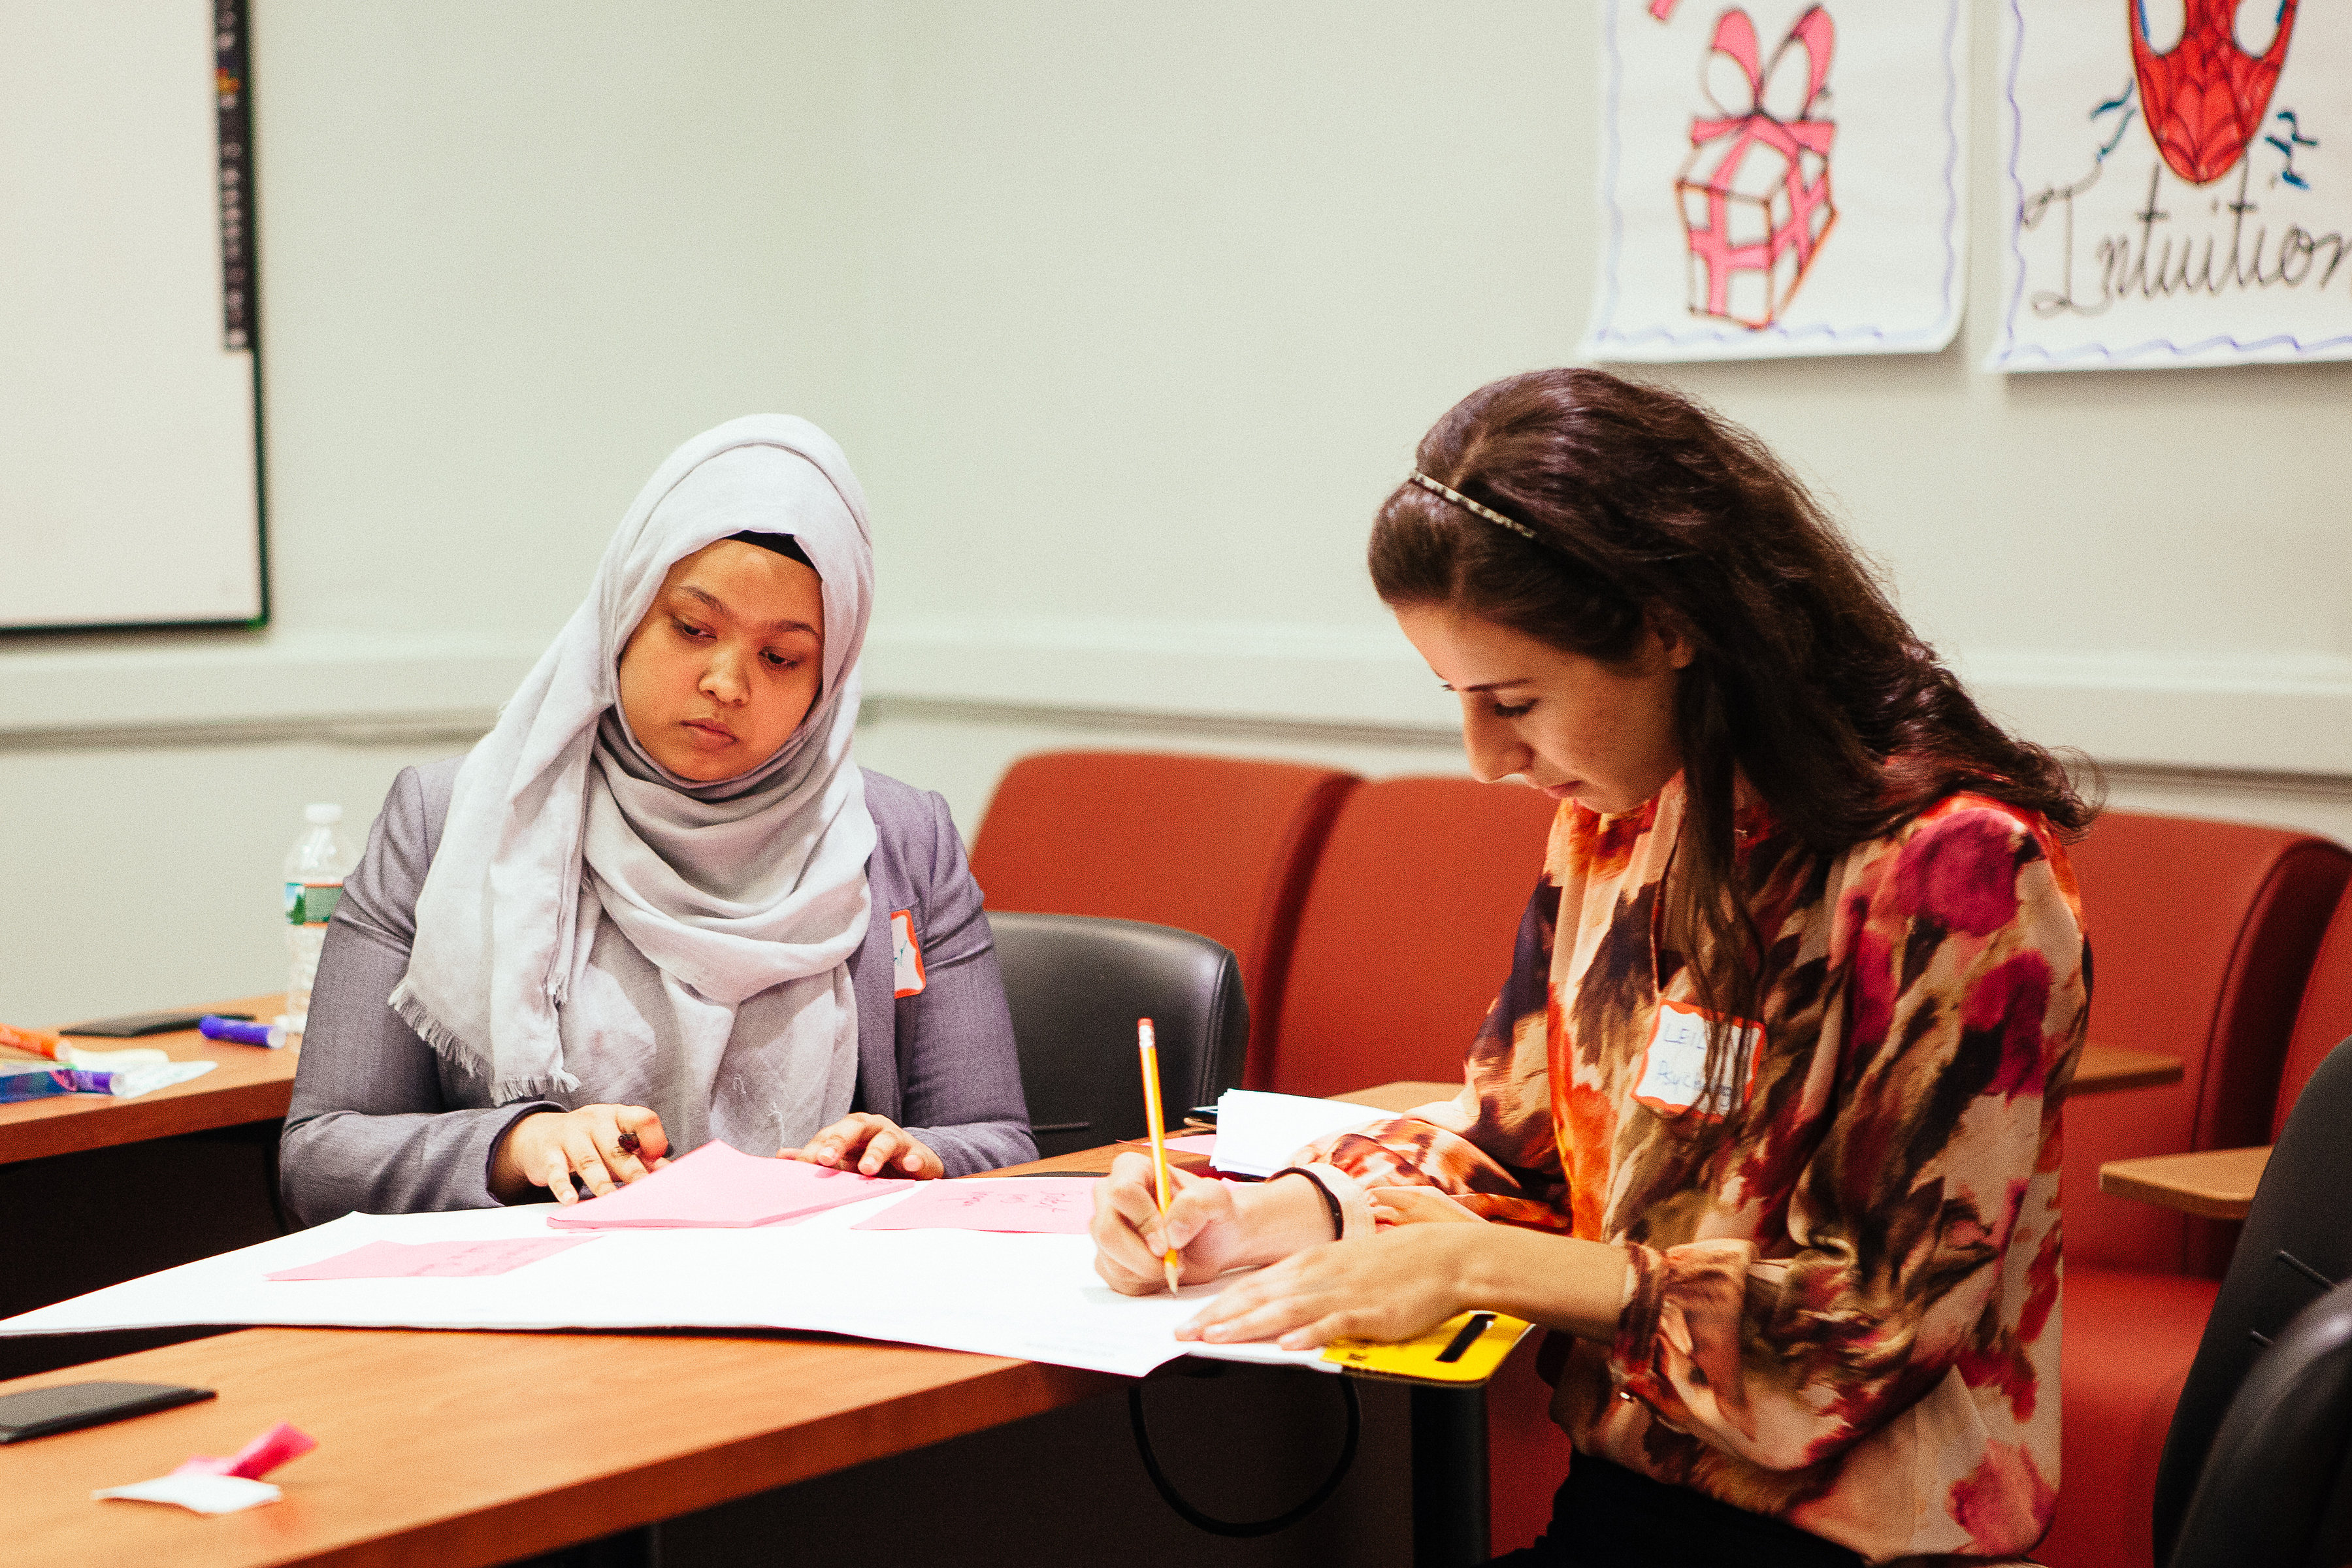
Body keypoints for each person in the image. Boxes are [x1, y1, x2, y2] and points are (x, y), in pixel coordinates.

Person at [1091, 370, 2091, 1567]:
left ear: (1671, 625)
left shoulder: (1956, 871)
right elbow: (1513, 1145)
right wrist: (1269, 1216)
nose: (1483, 758)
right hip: (1630, 1512)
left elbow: (1857, 1334)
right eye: (1458, 700)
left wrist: (1487, 1266)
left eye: (1514, 699)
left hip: (1863, 1538)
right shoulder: (1622, 825)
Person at [282, 416, 1033, 1224]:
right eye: (693, 628)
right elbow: (321, 1159)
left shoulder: (899, 839)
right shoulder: (449, 821)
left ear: (831, 677)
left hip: (813, 1300)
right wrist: (515, 1148)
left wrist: (917, 1157)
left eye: (780, 657)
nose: (726, 681)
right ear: (626, 611)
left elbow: (997, 1141)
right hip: (537, 1310)